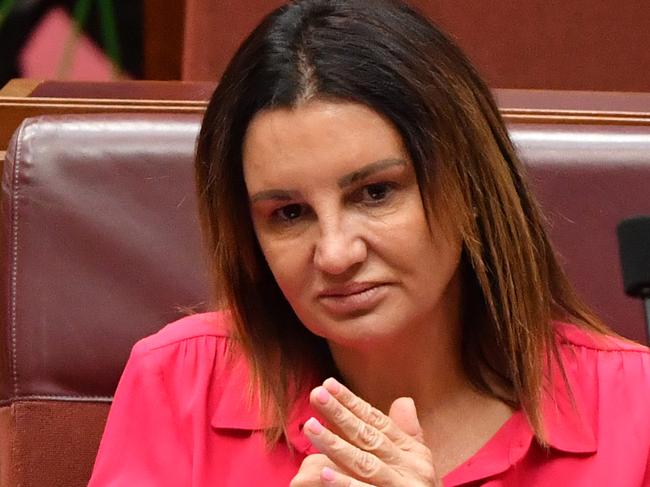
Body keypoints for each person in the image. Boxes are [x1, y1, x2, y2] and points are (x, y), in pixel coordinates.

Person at [88, 0, 650, 485]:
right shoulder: (178, 382)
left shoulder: (637, 409)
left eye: (376, 193)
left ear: (472, 187)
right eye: (288, 212)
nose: (335, 254)